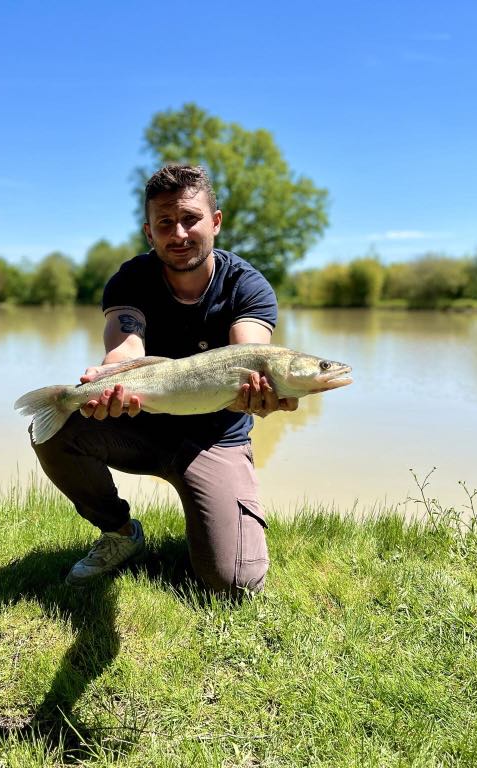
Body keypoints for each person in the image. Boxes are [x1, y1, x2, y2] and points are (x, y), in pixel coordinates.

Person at [31, 164, 297, 596]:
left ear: (215, 221)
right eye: (165, 223)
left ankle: (216, 522)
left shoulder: (248, 286)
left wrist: (257, 394)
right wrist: (110, 376)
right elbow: (127, 344)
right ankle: (120, 533)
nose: (179, 234)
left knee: (235, 584)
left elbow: (250, 353)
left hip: (216, 436)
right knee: (52, 432)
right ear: (148, 231)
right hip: (142, 420)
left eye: (190, 219)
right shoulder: (131, 278)